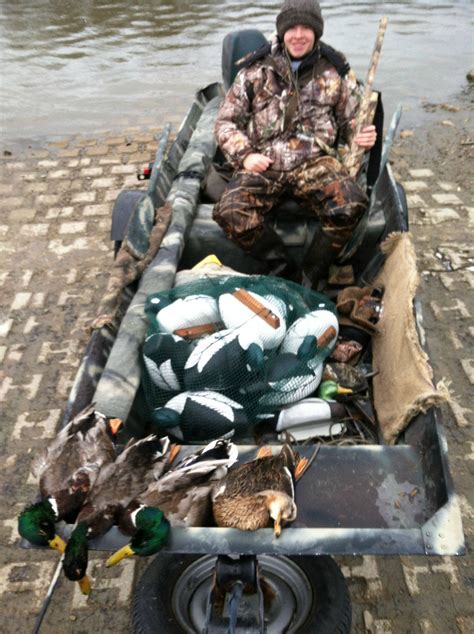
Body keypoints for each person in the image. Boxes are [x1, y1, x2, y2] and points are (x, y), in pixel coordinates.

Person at [213, 0, 377, 287]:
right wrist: (246, 155)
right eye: (292, 28)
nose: (298, 35)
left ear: (317, 32)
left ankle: (311, 272)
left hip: (314, 162)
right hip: (265, 162)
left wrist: (360, 135)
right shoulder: (255, 69)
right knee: (230, 211)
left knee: (351, 204)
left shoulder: (334, 70)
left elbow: (351, 120)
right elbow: (225, 122)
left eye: (306, 28)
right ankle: (282, 266)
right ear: (282, 31)